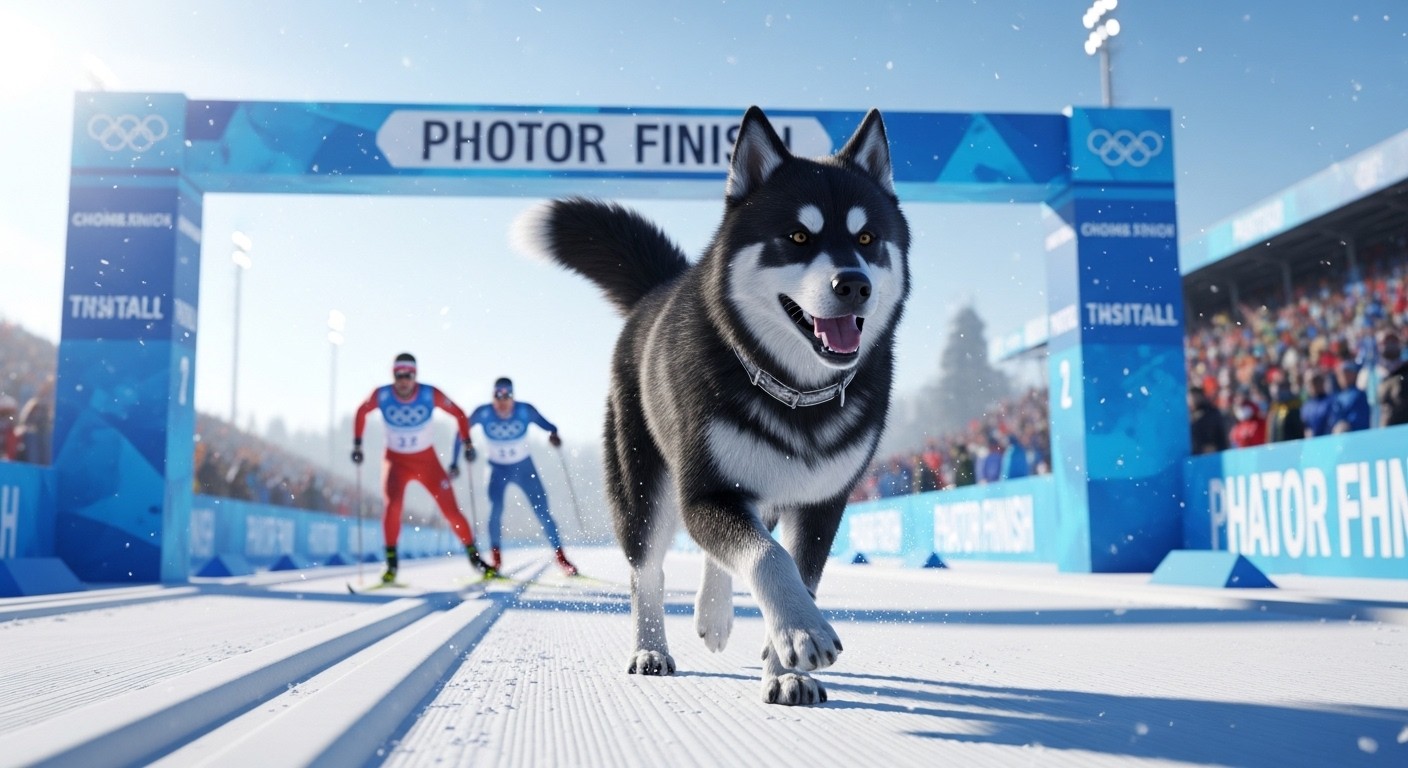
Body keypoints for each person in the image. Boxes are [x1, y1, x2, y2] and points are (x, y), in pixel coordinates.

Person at [352, 353, 495, 584]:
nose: (403, 381)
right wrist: (357, 444)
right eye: (398, 375)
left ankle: (476, 560)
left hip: (426, 462)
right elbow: (361, 411)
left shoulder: (430, 394)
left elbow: (459, 414)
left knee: (451, 512)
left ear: (415, 376)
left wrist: (468, 442)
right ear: (393, 375)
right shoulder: (383, 394)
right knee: (393, 505)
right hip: (395, 461)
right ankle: (391, 565)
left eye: (408, 375)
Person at [464, 377, 577, 575]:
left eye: (507, 395)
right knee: (495, 511)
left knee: (542, 511)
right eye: (498, 395)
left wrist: (554, 436)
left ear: (513, 396)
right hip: (497, 469)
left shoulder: (525, 410)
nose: (502, 400)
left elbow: (550, 426)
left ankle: (562, 559)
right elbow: (462, 431)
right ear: (493, 396)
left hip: (524, 468)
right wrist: (466, 448)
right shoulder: (483, 413)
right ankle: (496, 562)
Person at [1327, 360, 1371, 433]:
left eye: (1344, 374)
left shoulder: (1359, 395)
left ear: (1353, 375)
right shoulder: (1338, 396)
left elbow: (1360, 419)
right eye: (1339, 375)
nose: (1341, 378)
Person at [1377, 331, 1408, 427]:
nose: (1390, 345)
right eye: (1386, 342)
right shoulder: (1372, 373)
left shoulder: (1405, 369)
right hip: (1385, 428)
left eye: (1393, 341)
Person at [1188, 386, 1229, 454]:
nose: (1193, 400)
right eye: (1191, 397)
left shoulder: (1211, 413)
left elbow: (1220, 434)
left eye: (1195, 396)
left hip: (1211, 452)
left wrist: (1216, 447)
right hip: (1194, 454)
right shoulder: (1187, 416)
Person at [1264, 378, 1304, 443]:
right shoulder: (1274, 409)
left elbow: (1299, 431)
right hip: (1277, 448)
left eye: (1280, 388)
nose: (1275, 392)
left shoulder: (1294, 407)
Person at [1299, 370, 1334, 438]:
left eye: (1316, 381)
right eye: (1309, 382)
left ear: (1322, 381)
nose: (1313, 384)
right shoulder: (1306, 407)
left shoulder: (1332, 402)